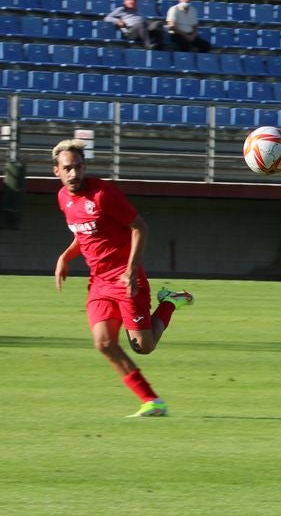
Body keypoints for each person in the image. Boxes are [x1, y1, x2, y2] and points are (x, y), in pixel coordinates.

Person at [51, 139, 194, 418]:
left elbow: (140, 227)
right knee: (103, 343)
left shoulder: (103, 194)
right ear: (56, 171)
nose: (74, 173)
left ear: (85, 166)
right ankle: (152, 401)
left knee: (144, 346)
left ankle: (170, 302)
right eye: (67, 168)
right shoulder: (63, 199)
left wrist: (131, 269)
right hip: (99, 283)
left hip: (126, 277)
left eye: (78, 167)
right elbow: (84, 234)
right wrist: (65, 257)